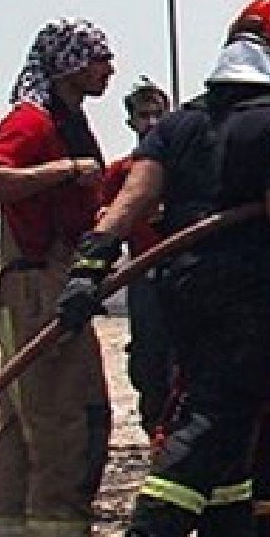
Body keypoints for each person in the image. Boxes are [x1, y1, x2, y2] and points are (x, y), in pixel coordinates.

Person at [63, 0, 270, 537]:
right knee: (215, 416)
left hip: (180, 283)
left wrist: (92, 259)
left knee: (226, 414)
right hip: (245, 285)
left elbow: (136, 191)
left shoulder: (182, 122)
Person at [0, 18, 119, 537]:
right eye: (99, 57)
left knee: (23, 421)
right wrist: (67, 171)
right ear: (69, 63)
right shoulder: (33, 122)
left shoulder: (66, 119)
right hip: (38, 285)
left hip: (40, 283)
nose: (109, 68)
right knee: (66, 414)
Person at [101, 79, 175, 438]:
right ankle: (154, 428)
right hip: (144, 276)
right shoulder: (120, 172)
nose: (151, 121)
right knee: (149, 358)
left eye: (158, 113)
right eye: (143, 115)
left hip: (184, 273)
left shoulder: (186, 166)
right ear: (131, 121)